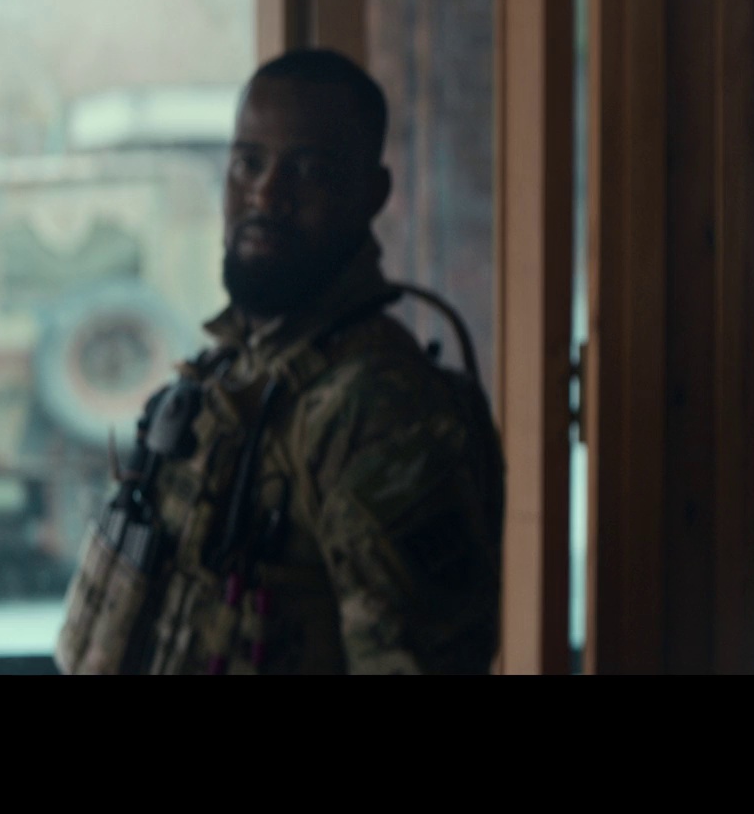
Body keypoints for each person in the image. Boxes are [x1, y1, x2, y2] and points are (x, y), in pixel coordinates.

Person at [55, 48, 504, 675]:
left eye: (309, 170)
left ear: (371, 194)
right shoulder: (228, 374)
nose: (266, 193)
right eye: (248, 164)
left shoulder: (379, 414)